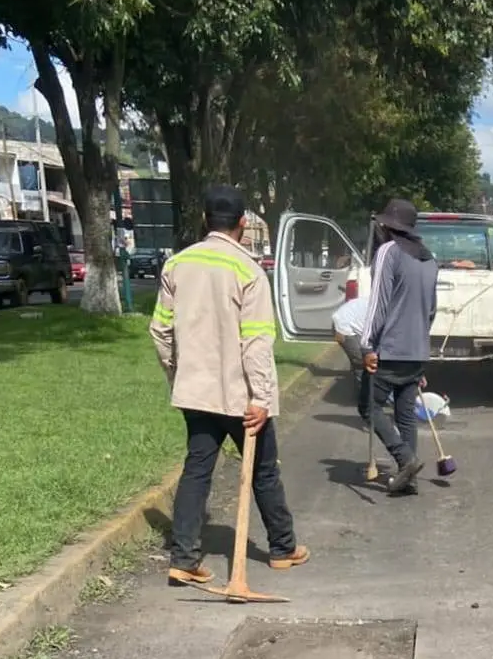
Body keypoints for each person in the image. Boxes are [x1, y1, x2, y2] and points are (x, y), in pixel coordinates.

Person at [150, 184, 309, 586]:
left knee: (196, 470)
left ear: (205, 219)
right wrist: (262, 399)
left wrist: (177, 374)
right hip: (241, 397)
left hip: (196, 393)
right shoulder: (249, 271)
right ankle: (282, 547)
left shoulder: (177, 265)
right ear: (243, 224)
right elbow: (256, 341)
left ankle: (184, 557)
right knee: (263, 472)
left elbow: (160, 331)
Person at [359, 197, 438, 496]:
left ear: (389, 226)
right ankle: (410, 479)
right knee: (404, 414)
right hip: (417, 350)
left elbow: (378, 303)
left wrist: (367, 345)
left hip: (389, 349)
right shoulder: (429, 258)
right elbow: (431, 310)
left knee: (368, 406)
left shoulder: (388, 253)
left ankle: (405, 459)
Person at [332, 294, 369, 393]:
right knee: (360, 360)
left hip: (353, 324)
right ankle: (365, 395)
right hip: (342, 327)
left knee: (366, 355)